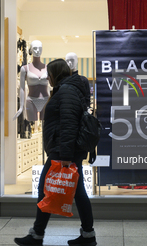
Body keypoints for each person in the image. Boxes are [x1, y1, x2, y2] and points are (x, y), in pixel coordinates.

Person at [14, 59, 97, 246]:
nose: (47, 79)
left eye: (49, 75)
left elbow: (68, 124)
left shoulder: (66, 91)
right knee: (78, 191)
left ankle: (37, 234)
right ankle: (87, 235)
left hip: (63, 151)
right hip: (66, 149)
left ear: (56, 74)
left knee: (45, 188)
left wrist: (66, 157)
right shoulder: (68, 89)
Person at [13, 40, 49, 123]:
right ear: (31, 50)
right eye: (35, 48)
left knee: (46, 128)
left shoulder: (48, 68)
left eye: (40, 48)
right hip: (31, 100)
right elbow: (22, 88)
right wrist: (21, 107)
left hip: (45, 100)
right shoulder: (25, 68)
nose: (37, 51)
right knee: (31, 123)